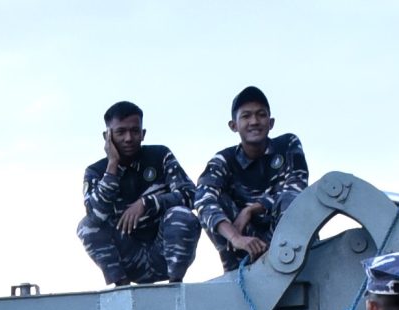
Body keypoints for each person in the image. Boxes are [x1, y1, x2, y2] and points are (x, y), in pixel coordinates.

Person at [77, 102, 202, 286]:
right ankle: (121, 288)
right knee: (86, 226)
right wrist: (112, 167)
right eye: (120, 132)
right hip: (129, 258)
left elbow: (191, 195)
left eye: (135, 131)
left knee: (182, 215)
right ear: (107, 136)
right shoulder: (96, 171)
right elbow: (95, 216)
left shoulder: (160, 156)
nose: (129, 138)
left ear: (143, 134)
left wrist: (147, 203)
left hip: (164, 251)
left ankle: (176, 284)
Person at [194, 87, 309, 271]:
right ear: (234, 126)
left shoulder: (287, 144)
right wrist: (235, 237)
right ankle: (232, 268)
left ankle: (288, 262)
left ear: (271, 123)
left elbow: (297, 188)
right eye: (246, 116)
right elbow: (202, 200)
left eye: (261, 115)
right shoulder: (224, 160)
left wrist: (251, 210)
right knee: (215, 201)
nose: (254, 121)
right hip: (243, 245)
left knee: (291, 199)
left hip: (287, 242)